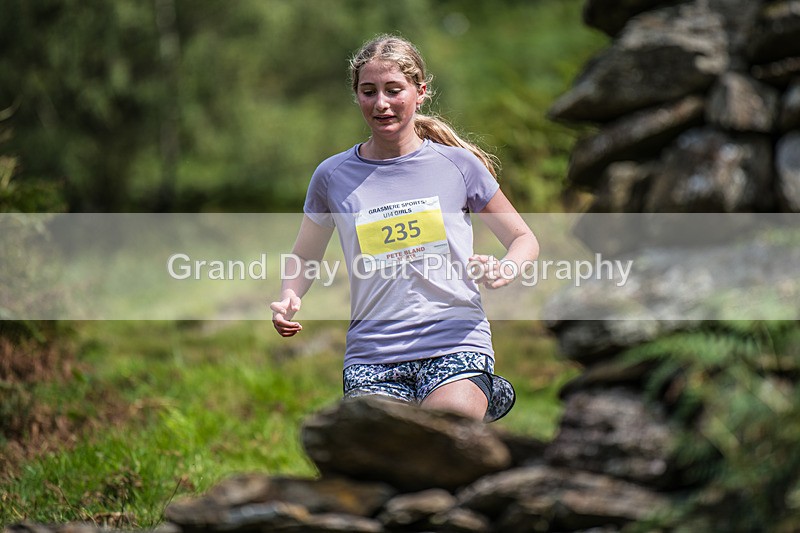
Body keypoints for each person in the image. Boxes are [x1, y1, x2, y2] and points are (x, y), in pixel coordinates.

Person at [270, 34, 539, 422]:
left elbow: (523, 238)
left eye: (394, 90)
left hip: (455, 343)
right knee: (381, 462)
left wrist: (506, 267)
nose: (381, 103)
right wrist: (289, 297)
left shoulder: (459, 166)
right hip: (372, 354)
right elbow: (303, 255)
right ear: (357, 96)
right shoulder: (332, 175)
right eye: (369, 91)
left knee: (442, 436)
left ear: (420, 92)